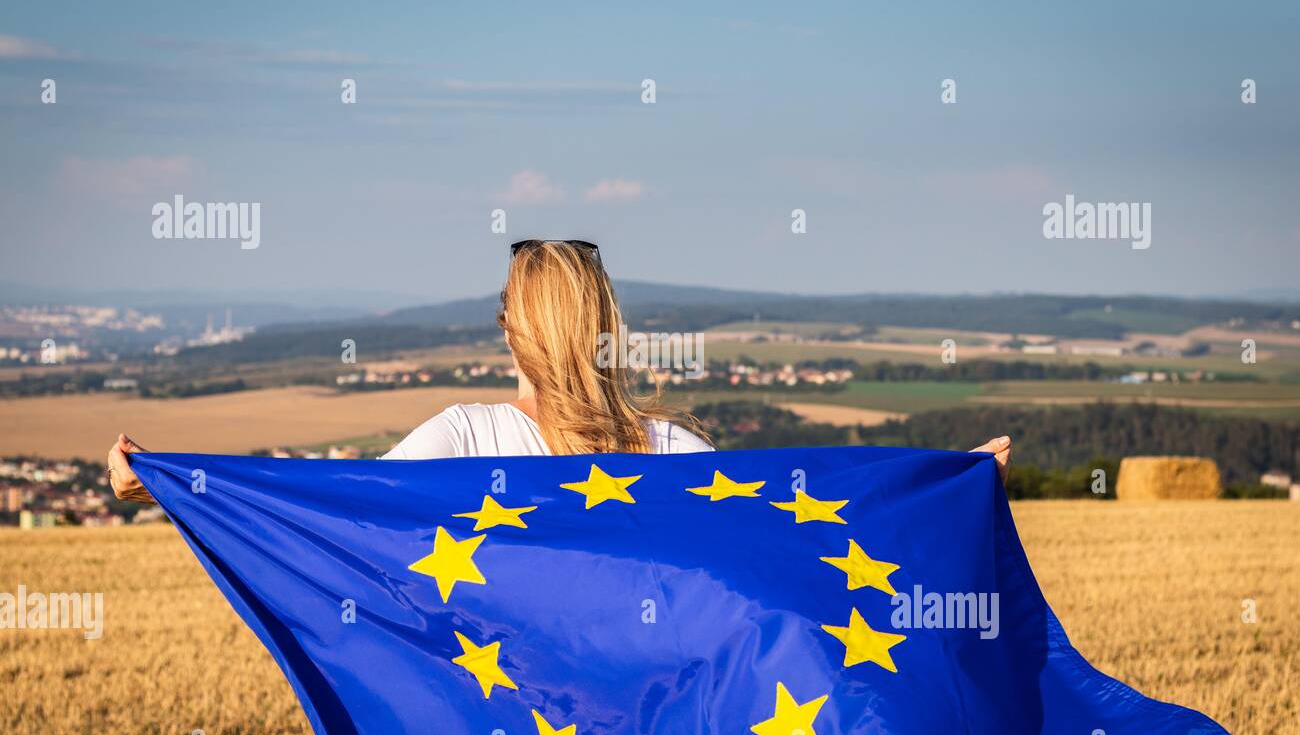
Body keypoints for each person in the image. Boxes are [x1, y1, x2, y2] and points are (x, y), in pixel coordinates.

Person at [108, 239, 1011, 502]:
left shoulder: (461, 436)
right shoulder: (677, 449)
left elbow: (333, 509)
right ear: (608, 328)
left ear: (509, 329)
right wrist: (948, 487)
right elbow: (804, 516)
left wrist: (169, 481)